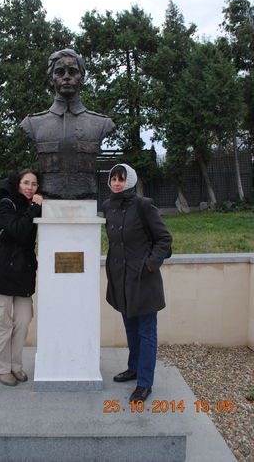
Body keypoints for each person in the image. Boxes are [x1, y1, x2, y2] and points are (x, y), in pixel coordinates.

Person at [103, 164, 172, 402]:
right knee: (130, 328)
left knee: (146, 332)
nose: (117, 183)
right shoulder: (108, 205)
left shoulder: (143, 205)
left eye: (121, 179)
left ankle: (145, 382)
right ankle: (133, 368)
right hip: (121, 279)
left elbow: (164, 238)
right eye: (113, 179)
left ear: (130, 180)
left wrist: (150, 265)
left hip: (143, 279)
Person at [20, 49, 115, 199]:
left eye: (72, 72)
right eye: (59, 72)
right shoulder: (33, 123)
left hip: (85, 202)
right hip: (50, 202)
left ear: (81, 78)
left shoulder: (102, 123)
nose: (66, 77)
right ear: (51, 78)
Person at [0, 169, 43, 386]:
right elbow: (18, 230)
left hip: (24, 273)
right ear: (18, 184)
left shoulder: (33, 207)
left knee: (23, 321)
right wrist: (35, 207)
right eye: (26, 183)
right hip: (3, 272)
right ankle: (0, 368)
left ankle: (15, 365)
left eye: (34, 184)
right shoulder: (6, 204)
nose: (30, 187)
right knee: (3, 323)